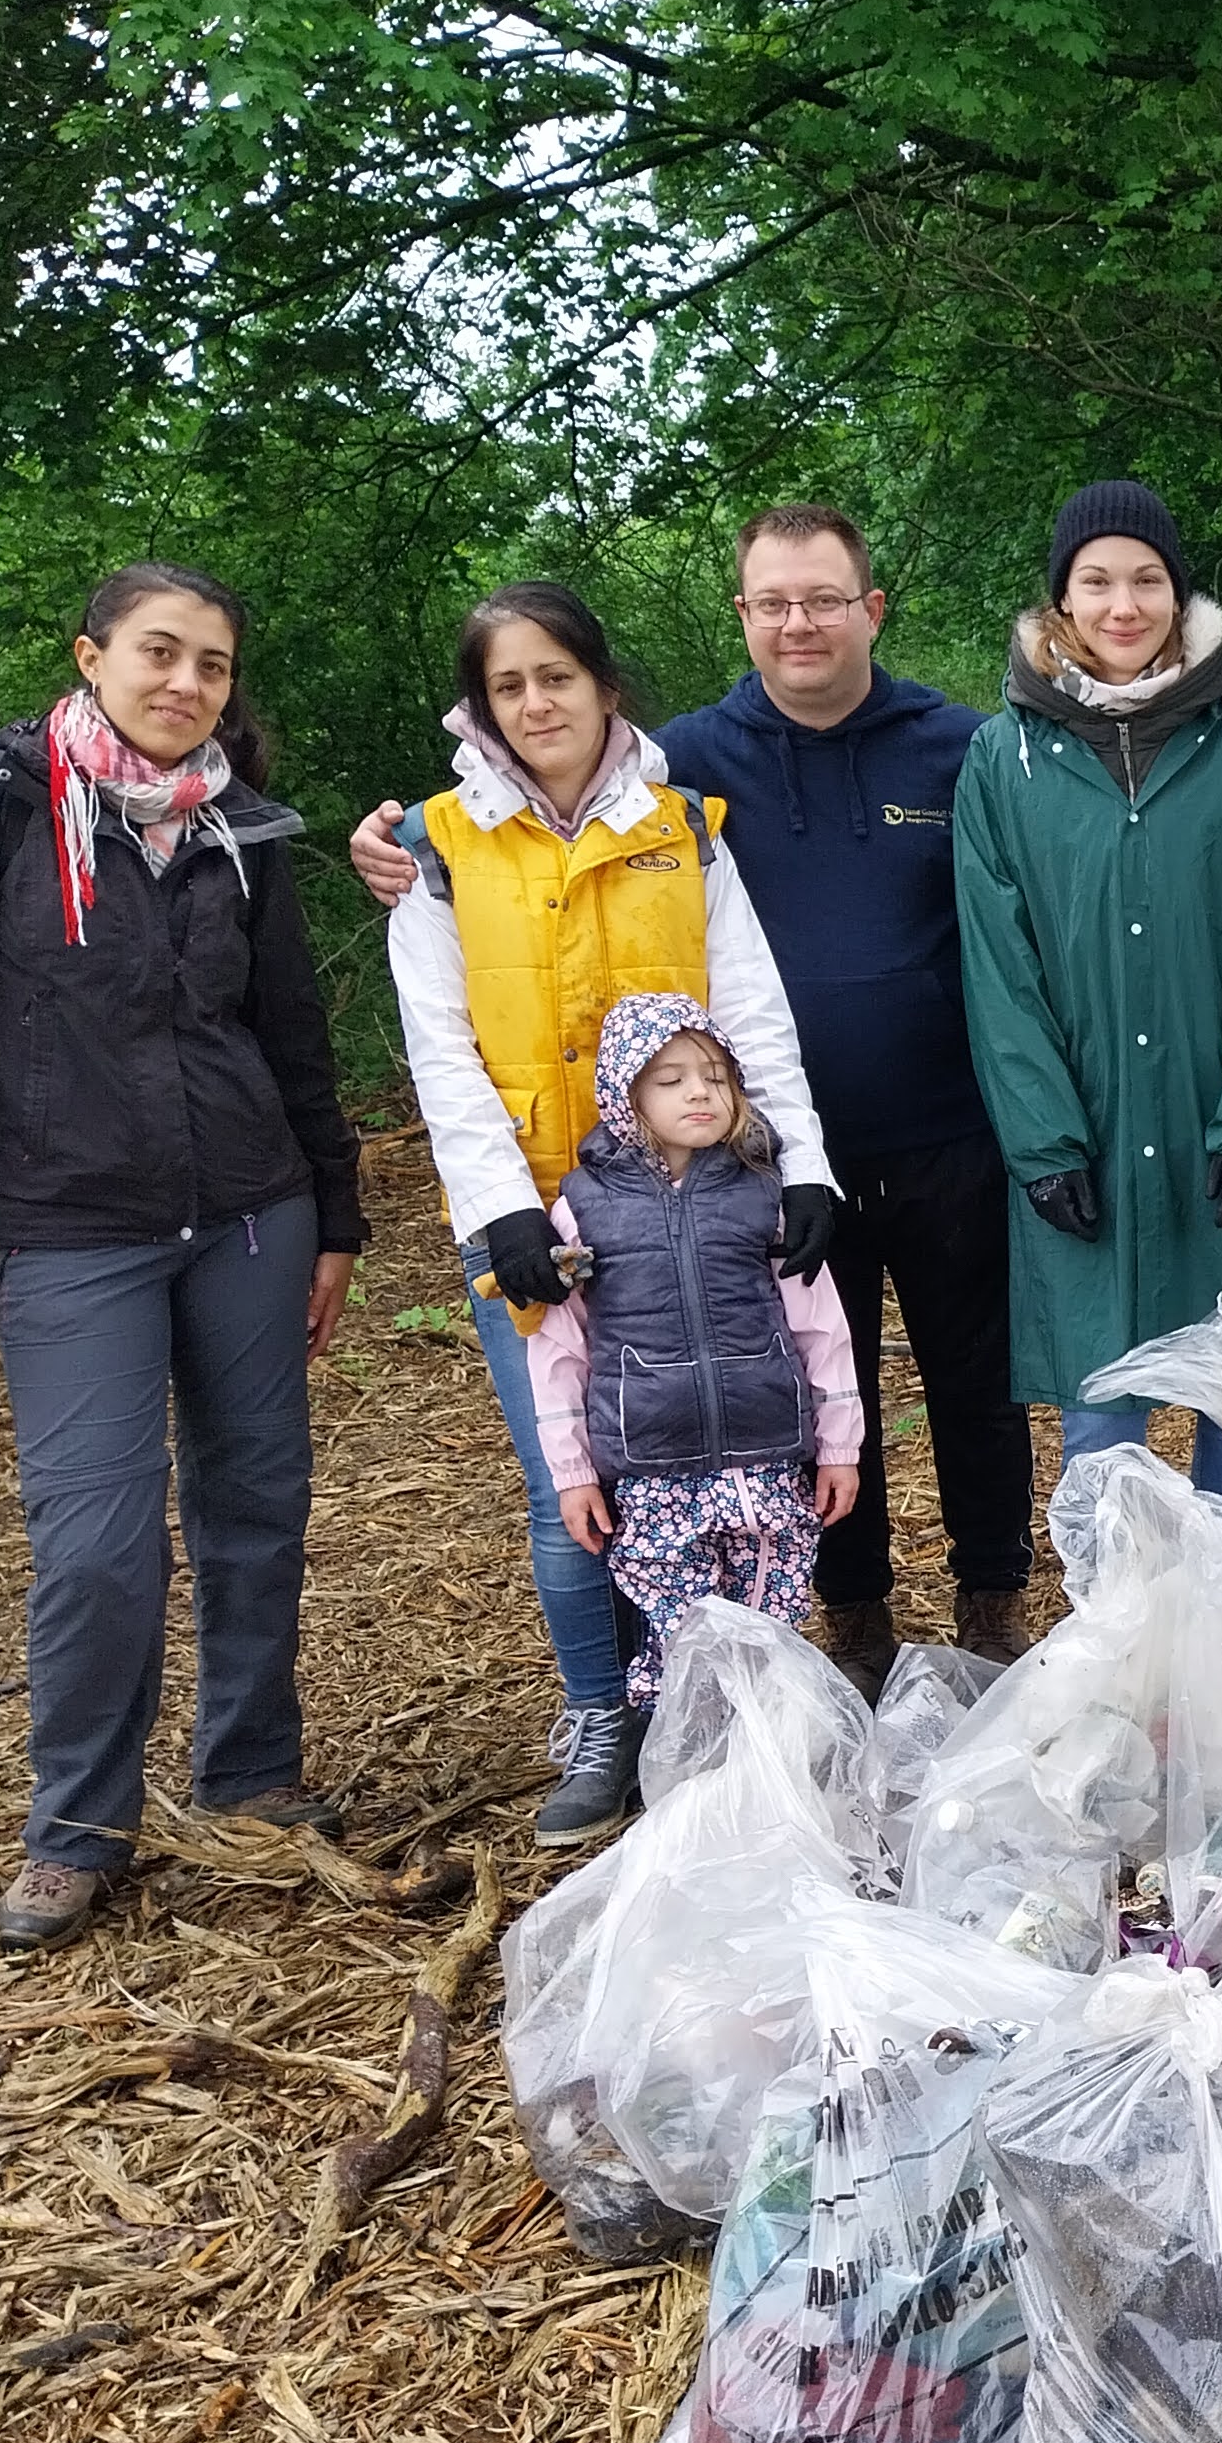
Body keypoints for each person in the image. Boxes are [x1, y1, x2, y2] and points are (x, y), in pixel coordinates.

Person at [352, 505, 1035, 1704]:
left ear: (871, 608)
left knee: (975, 1387)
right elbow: (528, 816)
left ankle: (994, 1606)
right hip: (743, 1165)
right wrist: (401, 841)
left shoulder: (961, 747)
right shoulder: (685, 764)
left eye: (823, 599)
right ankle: (850, 1622)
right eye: (772, 602)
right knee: (806, 1391)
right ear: (743, 615)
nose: (798, 622)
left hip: (943, 1128)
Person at [0, 563, 367, 1951]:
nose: (187, 682)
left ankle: (251, 1772)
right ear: (91, 656)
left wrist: (338, 1215)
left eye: (214, 665)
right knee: (98, 1546)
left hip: (250, 1211)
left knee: (257, 1506)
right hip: (71, 1226)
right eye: (160, 653)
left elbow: (292, 1028)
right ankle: (77, 1829)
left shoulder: (239, 824)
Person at [369, 580, 835, 1843]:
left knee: (706, 1455)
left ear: (603, 687)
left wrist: (802, 1166)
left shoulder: (683, 830)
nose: (537, 704)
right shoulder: (438, 848)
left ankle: (719, 1708)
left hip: (700, 1199)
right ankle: (600, 1714)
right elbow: (441, 1045)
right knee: (568, 1471)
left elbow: (750, 1009)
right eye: (508, 686)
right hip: (546, 1218)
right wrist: (502, 1206)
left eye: (557, 677)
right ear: (483, 710)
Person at [952, 482, 1222, 1484]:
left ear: (1179, 594)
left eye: (1147, 580)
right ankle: (1125, 1591)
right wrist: (1043, 1141)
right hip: (1087, 1128)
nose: (1122, 606)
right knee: (1102, 1422)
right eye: (1096, 582)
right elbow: (1000, 968)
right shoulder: (1002, 760)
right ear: (1062, 599)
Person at [528, 994, 863, 1707]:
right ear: (626, 1095)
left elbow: (821, 1327)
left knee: (771, 1637)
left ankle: (774, 1760)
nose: (700, 1093)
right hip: (650, 1468)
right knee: (683, 1645)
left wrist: (839, 1447)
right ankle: (692, 1758)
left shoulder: (766, 1196)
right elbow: (560, 1350)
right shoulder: (582, 1207)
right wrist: (572, 1472)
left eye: (716, 1076)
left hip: (766, 1460)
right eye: (671, 1079)